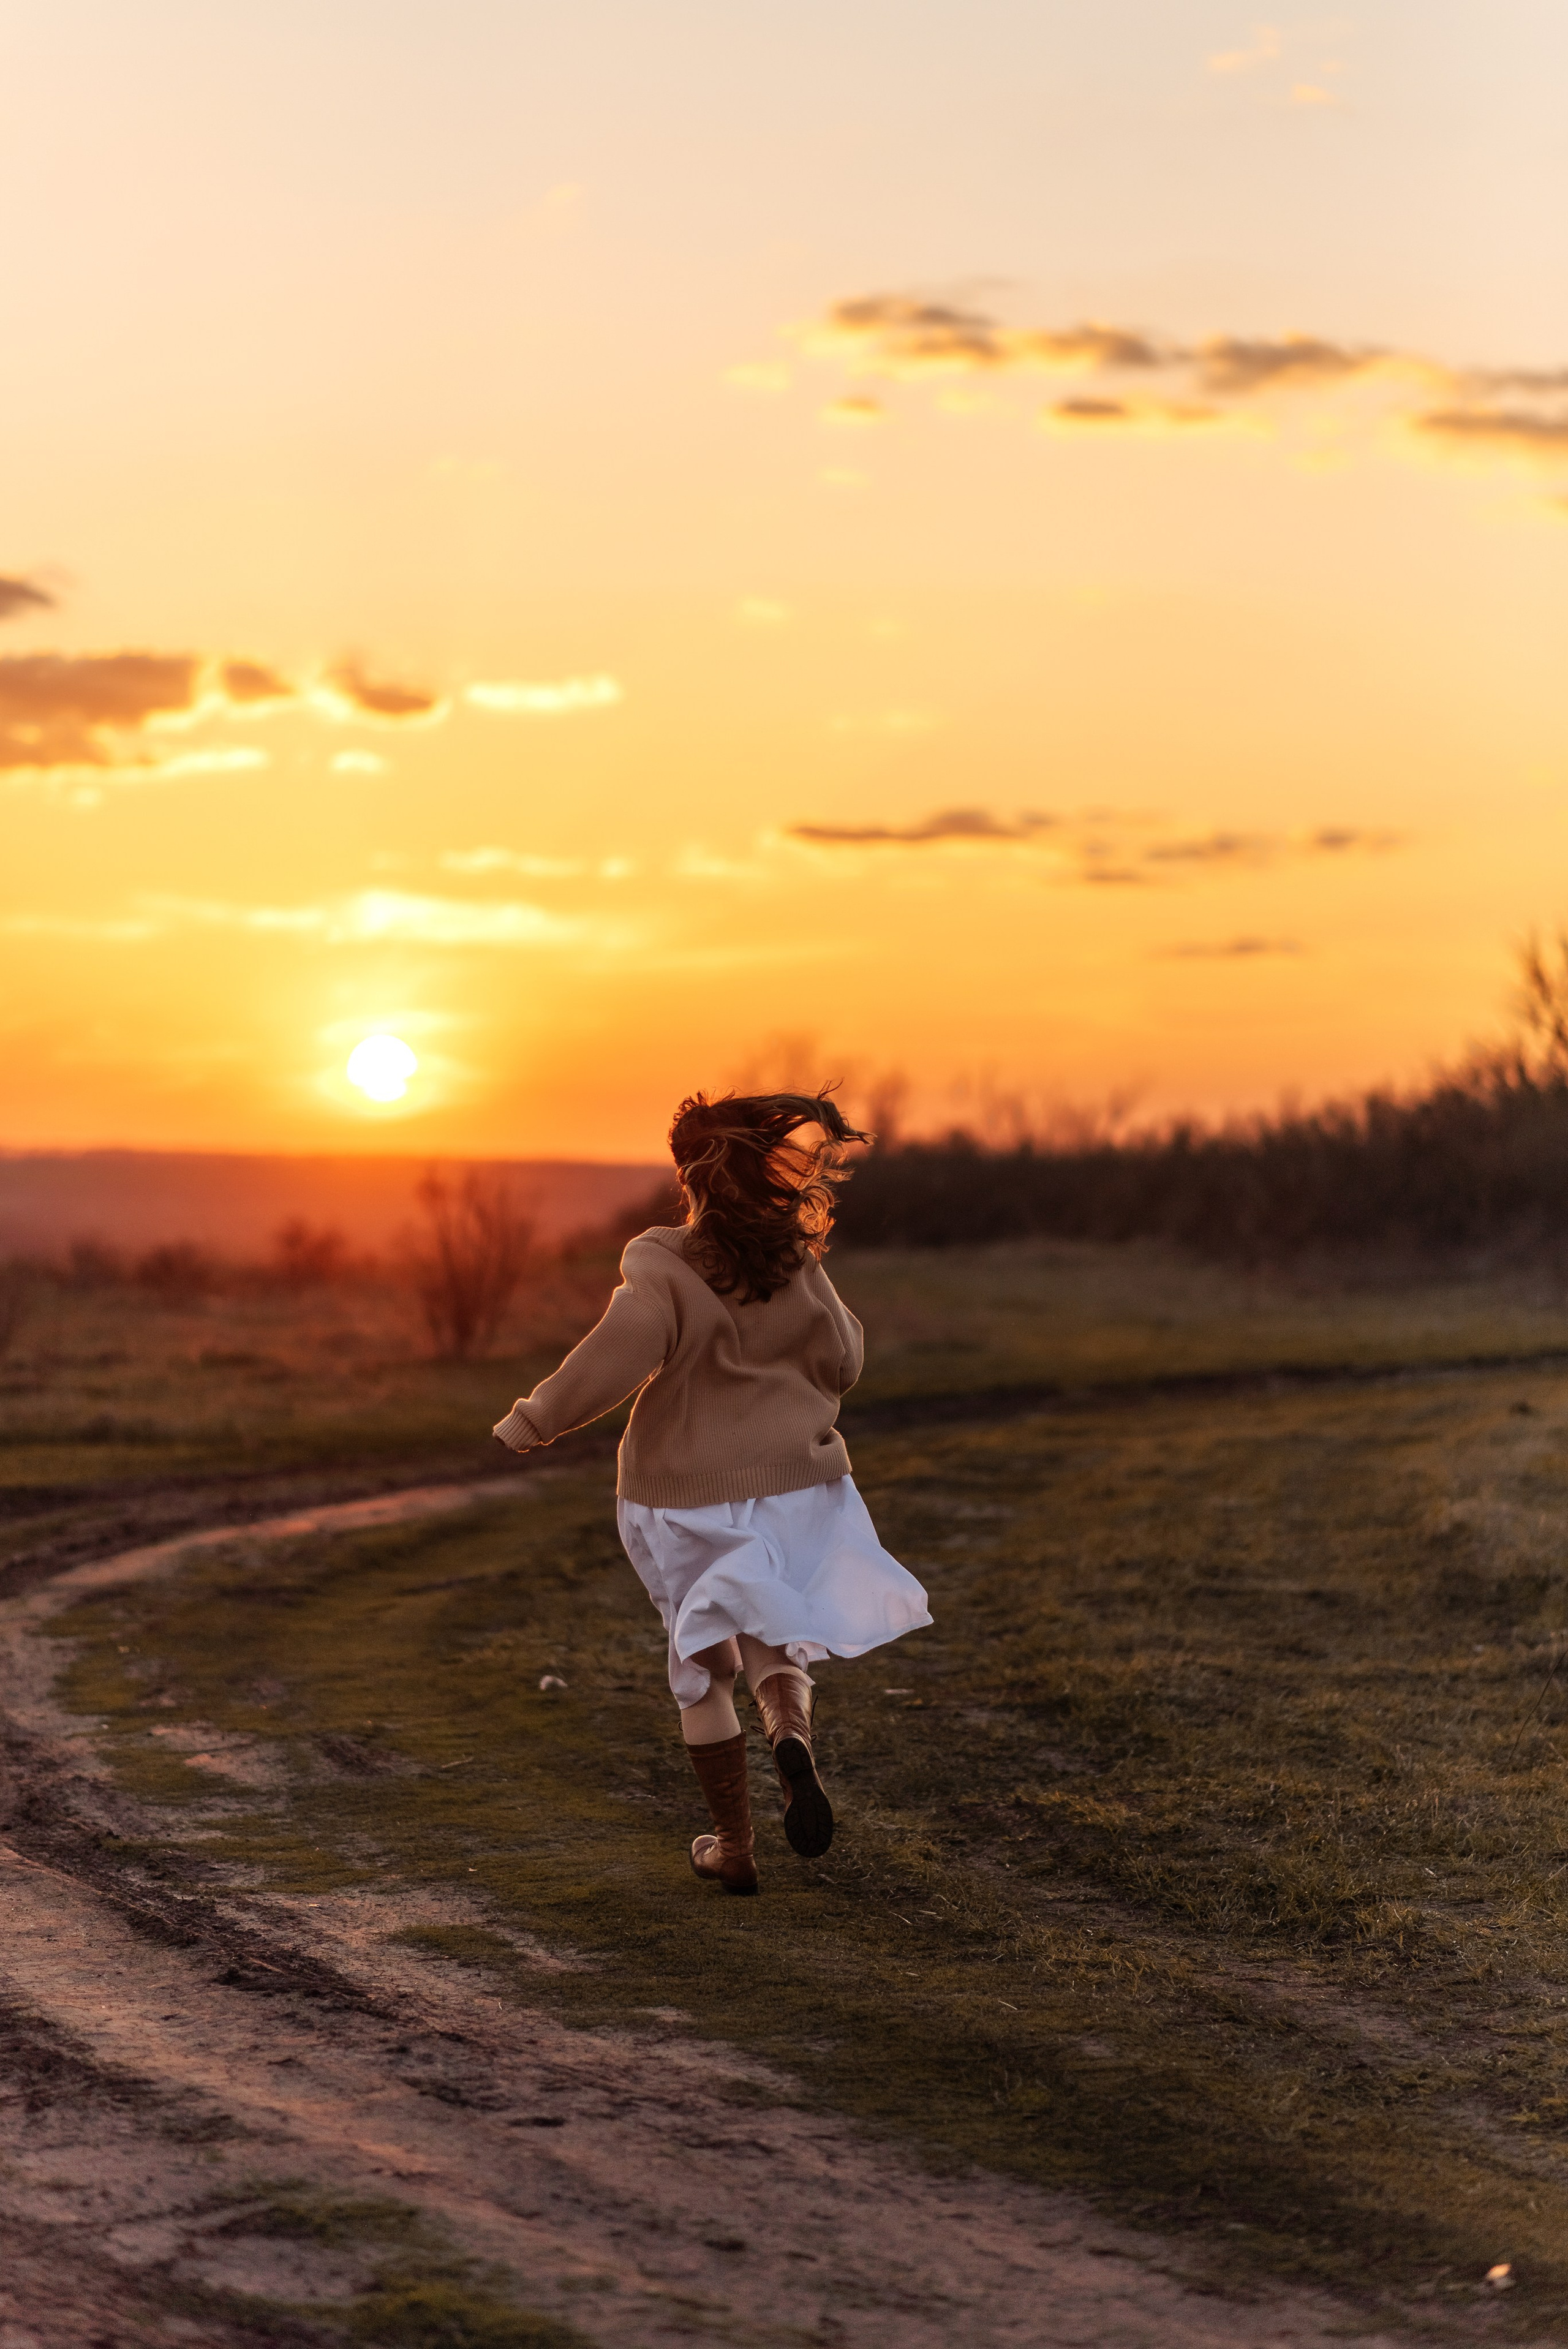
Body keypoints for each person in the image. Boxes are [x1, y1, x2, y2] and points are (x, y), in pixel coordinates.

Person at [491, 1089, 931, 1895]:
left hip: (683, 1494)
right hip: (798, 1486)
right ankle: (790, 1737)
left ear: (691, 1177)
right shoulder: (796, 1263)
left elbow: (614, 1356)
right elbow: (845, 1362)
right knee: (776, 1634)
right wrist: (810, 1278)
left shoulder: (662, 1265)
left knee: (701, 1663)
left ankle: (735, 1847)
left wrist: (535, 1420)